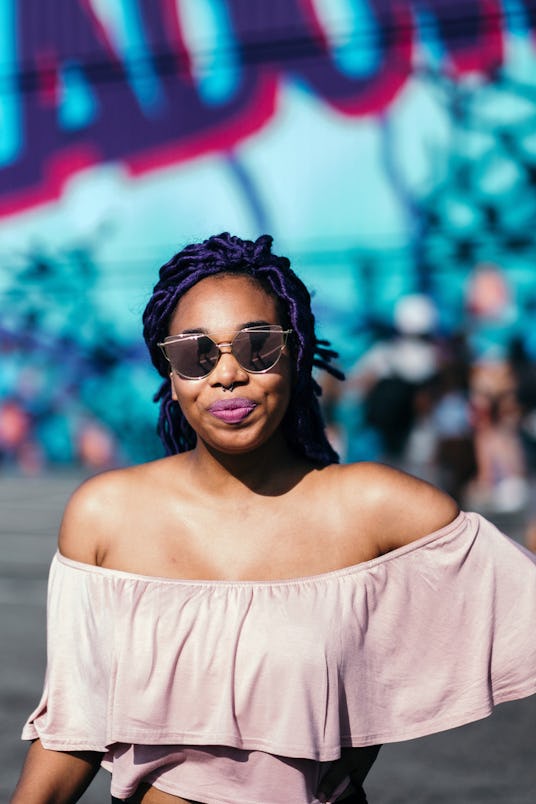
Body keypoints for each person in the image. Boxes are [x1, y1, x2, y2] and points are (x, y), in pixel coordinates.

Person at [12, 233, 536, 804]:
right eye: (196, 353)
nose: (228, 373)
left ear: (297, 352)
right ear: (168, 370)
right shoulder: (104, 516)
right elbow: (72, 728)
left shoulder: (372, 506)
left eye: (258, 346)